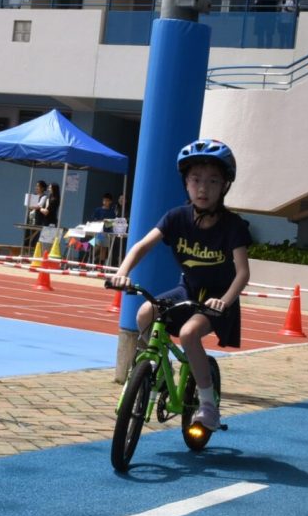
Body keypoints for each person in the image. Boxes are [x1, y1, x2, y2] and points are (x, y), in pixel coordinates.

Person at [105, 139, 250, 433]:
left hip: (218, 299)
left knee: (188, 333)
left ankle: (208, 406)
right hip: (188, 290)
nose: (203, 188)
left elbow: (243, 273)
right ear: (186, 183)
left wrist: (224, 301)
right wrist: (122, 273)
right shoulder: (176, 217)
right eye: (195, 179)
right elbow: (141, 246)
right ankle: (154, 369)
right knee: (145, 313)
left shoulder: (233, 225)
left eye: (212, 181)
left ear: (225, 185)